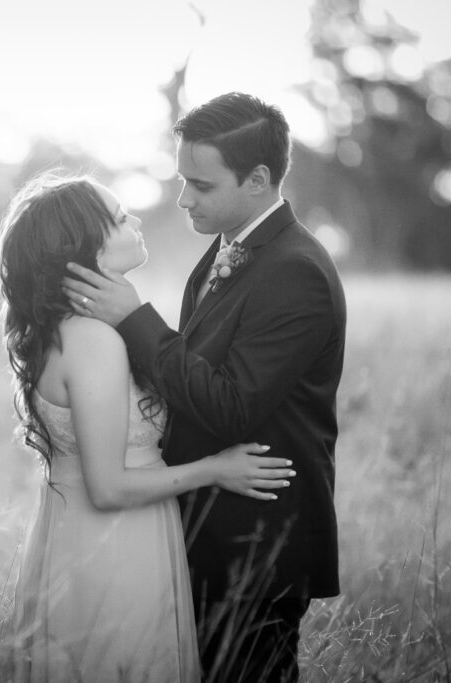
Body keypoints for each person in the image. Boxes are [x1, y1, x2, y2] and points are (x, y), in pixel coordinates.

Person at [62, 92, 347, 682]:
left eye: (201, 185)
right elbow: (191, 373)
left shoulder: (296, 269)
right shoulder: (226, 248)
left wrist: (134, 320)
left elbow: (232, 404)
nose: (183, 198)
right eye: (181, 180)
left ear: (258, 180)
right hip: (203, 535)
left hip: (256, 543)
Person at [0, 171, 298, 683]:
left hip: (78, 536)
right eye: (118, 218)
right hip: (115, 546)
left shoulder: (66, 331)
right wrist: (215, 469)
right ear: (82, 247)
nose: (135, 220)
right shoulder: (93, 341)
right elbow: (109, 487)